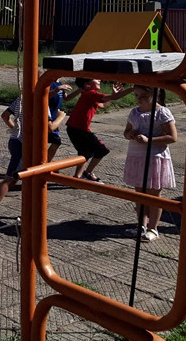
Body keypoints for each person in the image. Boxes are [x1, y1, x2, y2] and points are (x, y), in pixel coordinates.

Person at [0, 89, 67, 227]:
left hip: (15, 141)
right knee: (10, 179)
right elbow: (50, 127)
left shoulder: (22, 98)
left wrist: (15, 130)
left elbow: (5, 115)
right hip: (23, 146)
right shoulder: (40, 102)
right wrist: (61, 117)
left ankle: (28, 211)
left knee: (26, 178)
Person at [122, 85, 178, 242]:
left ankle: (153, 228)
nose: (138, 99)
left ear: (155, 95)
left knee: (154, 194)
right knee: (139, 193)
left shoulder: (162, 112)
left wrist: (149, 140)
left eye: (143, 96)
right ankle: (141, 225)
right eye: (136, 95)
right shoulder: (134, 112)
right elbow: (126, 131)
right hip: (137, 156)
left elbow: (172, 137)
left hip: (155, 157)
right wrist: (130, 134)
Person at [66, 78, 132, 181]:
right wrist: (132, 89)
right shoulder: (90, 94)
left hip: (75, 128)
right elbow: (113, 97)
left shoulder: (89, 95)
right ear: (87, 85)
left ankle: (77, 177)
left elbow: (102, 105)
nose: (99, 80)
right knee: (102, 150)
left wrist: (112, 96)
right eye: (96, 79)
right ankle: (87, 173)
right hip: (79, 129)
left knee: (85, 152)